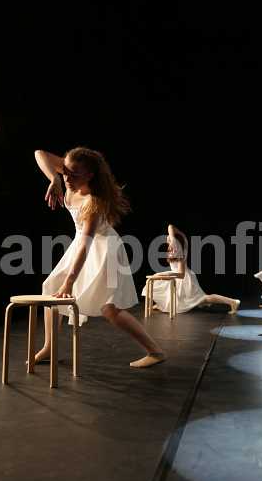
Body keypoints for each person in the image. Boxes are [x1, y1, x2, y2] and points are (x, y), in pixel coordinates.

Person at [35, 148, 165, 368]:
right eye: (65, 172)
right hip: (81, 243)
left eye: (74, 175)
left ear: (89, 175)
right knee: (51, 288)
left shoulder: (93, 201)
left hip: (104, 249)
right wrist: (53, 179)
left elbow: (86, 245)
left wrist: (70, 282)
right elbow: (40, 154)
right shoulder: (67, 178)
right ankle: (49, 348)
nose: (67, 178)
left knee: (109, 309)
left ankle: (156, 351)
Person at [142, 224, 241, 314]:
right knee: (199, 299)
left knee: (203, 299)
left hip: (185, 280)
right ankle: (161, 305)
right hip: (181, 278)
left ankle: (233, 302)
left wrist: (165, 274)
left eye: (169, 239)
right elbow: (172, 227)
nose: (167, 240)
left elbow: (181, 274)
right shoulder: (182, 242)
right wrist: (173, 237)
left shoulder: (179, 251)